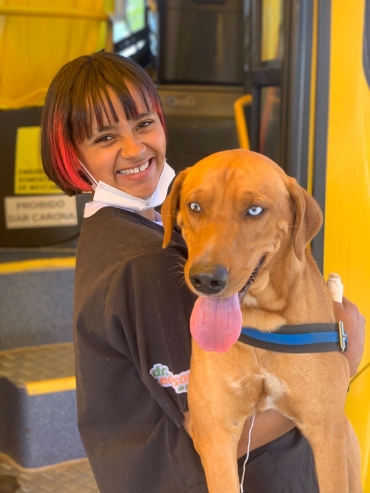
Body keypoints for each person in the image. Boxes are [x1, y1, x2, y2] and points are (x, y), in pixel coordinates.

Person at [41, 52, 365, 493]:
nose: (135, 150)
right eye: (104, 137)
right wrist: (341, 361)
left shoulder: (128, 227)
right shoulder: (146, 265)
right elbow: (212, 434)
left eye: (143, 124)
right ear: (70, 154)